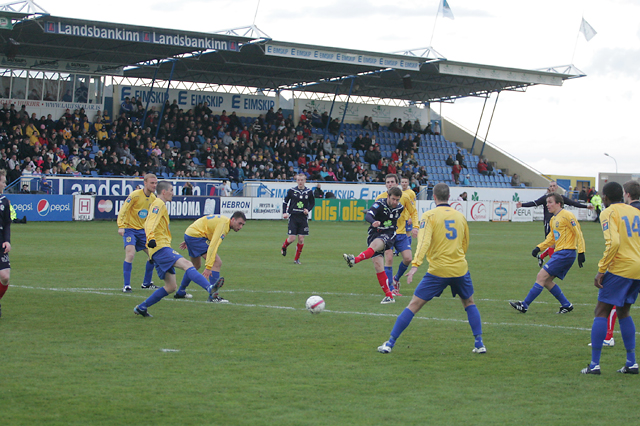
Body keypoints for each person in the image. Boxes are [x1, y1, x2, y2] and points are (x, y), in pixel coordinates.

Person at [377, 183, 485, 354]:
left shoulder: (429, 216)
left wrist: (415, 265)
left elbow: (424, 242)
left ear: (434, 197)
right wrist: (458, 257)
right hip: (459, 269)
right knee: (469, 303)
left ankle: (389, 343)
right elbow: (465, 243)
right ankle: (479, 344)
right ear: (449, 197)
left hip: (438, 271)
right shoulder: (460, 216)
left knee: (413, 305)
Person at [134, 181, 221, 317]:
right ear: (164, 192)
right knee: (187, 264)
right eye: (172, 190)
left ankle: (142, 307)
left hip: (159, 249)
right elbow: (150, 222)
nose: (173, 193)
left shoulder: (159, 204)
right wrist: (150, 238)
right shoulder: (159, 203)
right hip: (160, 247)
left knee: (171, 287)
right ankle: (209, 288)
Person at [582, 181, 640, 375]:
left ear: (605, 198)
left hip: (621, 267)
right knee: (624, 312)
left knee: (601, 311)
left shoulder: (609, 212)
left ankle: (594, 364)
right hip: (637, 268)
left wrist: (601, 269)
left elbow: (613, 242)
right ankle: (631, 363)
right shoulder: (635, 212)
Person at [510, 193, 585, 314]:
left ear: (558, 203)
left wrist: (581, 251)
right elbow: (551, 238)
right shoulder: (553, 219)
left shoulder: (567, 215)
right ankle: (566, 305)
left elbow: (578, 233)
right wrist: (538, 248)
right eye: (547, 202)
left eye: (550, 202)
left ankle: (524, 305)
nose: (547, 205)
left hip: (566, 253)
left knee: (541, 276)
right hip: (559, 253)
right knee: (546, 281)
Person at [343, 186, 404, 304]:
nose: (395, 202)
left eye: (397, 199)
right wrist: (373, 221)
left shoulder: (400, 208)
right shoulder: (379, 204)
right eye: (393, 199)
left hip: (388, 234)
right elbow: (368, 215)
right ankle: (389, 296)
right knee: (378, 266)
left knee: (375, 245)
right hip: (374, 233)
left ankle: (355, 260)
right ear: (388, 197)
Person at [175, 211, 247, 302]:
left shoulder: (224, 221)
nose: (240, 227)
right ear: (233, 219)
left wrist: (189, 239)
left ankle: (181, 291)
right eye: (239, 223)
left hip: (191, 234)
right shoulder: (223, 226)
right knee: (216, 262)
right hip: (196, 236)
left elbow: (205, 224)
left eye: (242, 225)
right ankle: (213, 296)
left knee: (195, 266)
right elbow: (213, 246)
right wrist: (208, 267)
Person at [517, 181, 592, 266]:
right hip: (549, 224)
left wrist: (586, 206)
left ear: (556, 187)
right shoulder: (546, 198)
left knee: (555, 245)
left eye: (554, 186)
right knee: (552, 243)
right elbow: (535, 203)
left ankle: (544, 258)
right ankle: (552, 263)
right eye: (551, 186)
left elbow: (573, 203)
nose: (552, 187)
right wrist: (522, 205)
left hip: (560, 224)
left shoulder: (560, 199)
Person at [375, 174, 418, 296]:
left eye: (392, 182)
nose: (390, 184)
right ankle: (390, 289)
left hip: (401, 233)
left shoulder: (405, 197)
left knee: (408, 258)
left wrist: (415, 226)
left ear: (396, 183)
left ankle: (396, 278)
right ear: (385, 184)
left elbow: (413, 211)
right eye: (387, 182)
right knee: (389, 258)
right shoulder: (380, 198)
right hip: (387, 234)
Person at [117, 174, 158, 293]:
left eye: (155, 183)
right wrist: (121, 226)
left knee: (153, 255)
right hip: (130, 229)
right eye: (152, 183)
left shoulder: (153, 198)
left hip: (143, 231)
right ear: (145, 183)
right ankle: (126, 285)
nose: (154, 185)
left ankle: (146, 283)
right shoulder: (135, 195)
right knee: (130, 254)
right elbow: (123, 210)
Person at [281, 174, 315, 264]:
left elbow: (312, 203)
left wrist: (308, 210)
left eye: (302, 180)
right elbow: (285, 201)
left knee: (301, 239)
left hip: (303, 218)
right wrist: (284, 212)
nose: (300, 182)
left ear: (305, 181)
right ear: (296, 181)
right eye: (298, 180)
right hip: (293, 217)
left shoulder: (309, 192)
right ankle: (284, 246)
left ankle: (296, 259)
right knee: (292, 238)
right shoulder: (292, 191)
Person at [0, 170, 11, 318]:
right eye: (3, 181)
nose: (5, 184)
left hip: (0, 241)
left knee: (5, 277)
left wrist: (7, 240)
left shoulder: (4, 201)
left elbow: (7, 223)